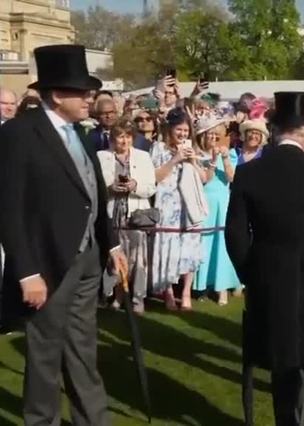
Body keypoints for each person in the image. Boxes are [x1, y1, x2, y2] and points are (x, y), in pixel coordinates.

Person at [0, 44, 128, 426]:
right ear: (58, 94)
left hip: (88, 260)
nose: (92, 99)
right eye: (83, 92)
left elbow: (94, 196)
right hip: (46, 265)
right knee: (44, 357)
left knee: (83, 350)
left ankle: (93, 420)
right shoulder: (20, 134)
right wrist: (26, 272)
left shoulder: (82, 134)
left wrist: (113, 243)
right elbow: (8, 207)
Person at [226, 91, 304, 426]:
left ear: (273, 129)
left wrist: (252, 273)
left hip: (269, 276)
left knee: (282, 358)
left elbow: (235, 235)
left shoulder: (249, 173)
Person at [97, 118, 156, 314]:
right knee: (114, 259)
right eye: (120, 137)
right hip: (112, 214)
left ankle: (138, 298)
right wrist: (109, 188)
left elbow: (150, 188)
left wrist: (135, 186)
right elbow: (95, 188)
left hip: (135, 214)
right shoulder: (101, 156)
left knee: (138, 260)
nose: (124, 141)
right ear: (113, 139)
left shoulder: (143, 156)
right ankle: (117, 295)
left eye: (128, 137)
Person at [151, 107, 207, 311]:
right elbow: (155, 178)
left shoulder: (194, 149)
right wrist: (175, 159)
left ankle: (185, 294)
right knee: (169, 248)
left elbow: (203, 179)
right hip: (168, 204)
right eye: (179, 130)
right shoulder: (158, 149)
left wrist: (192, 160)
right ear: (170, 129)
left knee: (189, 249)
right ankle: (167, 293)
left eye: (186, 130)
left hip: (188, 206)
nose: (183, 134)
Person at [193, 117, 241, 306]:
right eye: (209, 134)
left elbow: (232, 179)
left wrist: (225, 158)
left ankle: (222, 288)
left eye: (216, 134)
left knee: (221, 245)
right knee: (202, 245)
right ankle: (202, 286)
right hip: (203, 203)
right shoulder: (196, 155)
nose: (213, 137)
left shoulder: (229, 154)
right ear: (202, 136)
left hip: (222, 203)